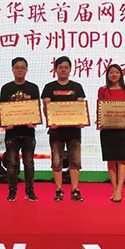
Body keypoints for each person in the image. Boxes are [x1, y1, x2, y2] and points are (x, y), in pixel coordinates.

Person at [42, 56, 86, 202]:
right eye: (60, 67)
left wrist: (81, 120)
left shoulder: (77, 87)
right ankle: (59, 190)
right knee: (56, 162)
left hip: (74, 131)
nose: (63, 70)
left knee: (75, 161)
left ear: (70, 69)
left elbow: (80, 107)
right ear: (55, 69)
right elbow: (46, 107)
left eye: (66, 67)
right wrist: (50, 121)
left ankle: (75, 190)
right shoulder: (49, 87)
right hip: (56, 131)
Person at [0, 57, 40, 202]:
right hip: (12, 133)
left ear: (26, 69)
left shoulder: (33, 88)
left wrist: (33, 121)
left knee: (29, 163)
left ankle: (30, 191)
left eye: (22, 67)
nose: (20, 70)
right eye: (17, 67)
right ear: (12, 70)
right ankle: (12, 191)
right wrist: (5, 123)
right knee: (12, 164)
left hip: (28, 132)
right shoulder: (6, 88)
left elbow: (36, 108)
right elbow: (2, 109)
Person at [98, 64, 125, 203]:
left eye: (117, 72)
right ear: (107, 75)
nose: (114, 75)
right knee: (111, 159)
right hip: (107, 129)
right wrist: (99, 121)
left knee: (122, 159)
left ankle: (120, 189)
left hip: (122, 128)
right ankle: (114, 188)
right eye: (111, 72)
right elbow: (100, 107)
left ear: (121, 74)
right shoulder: (102, 90)